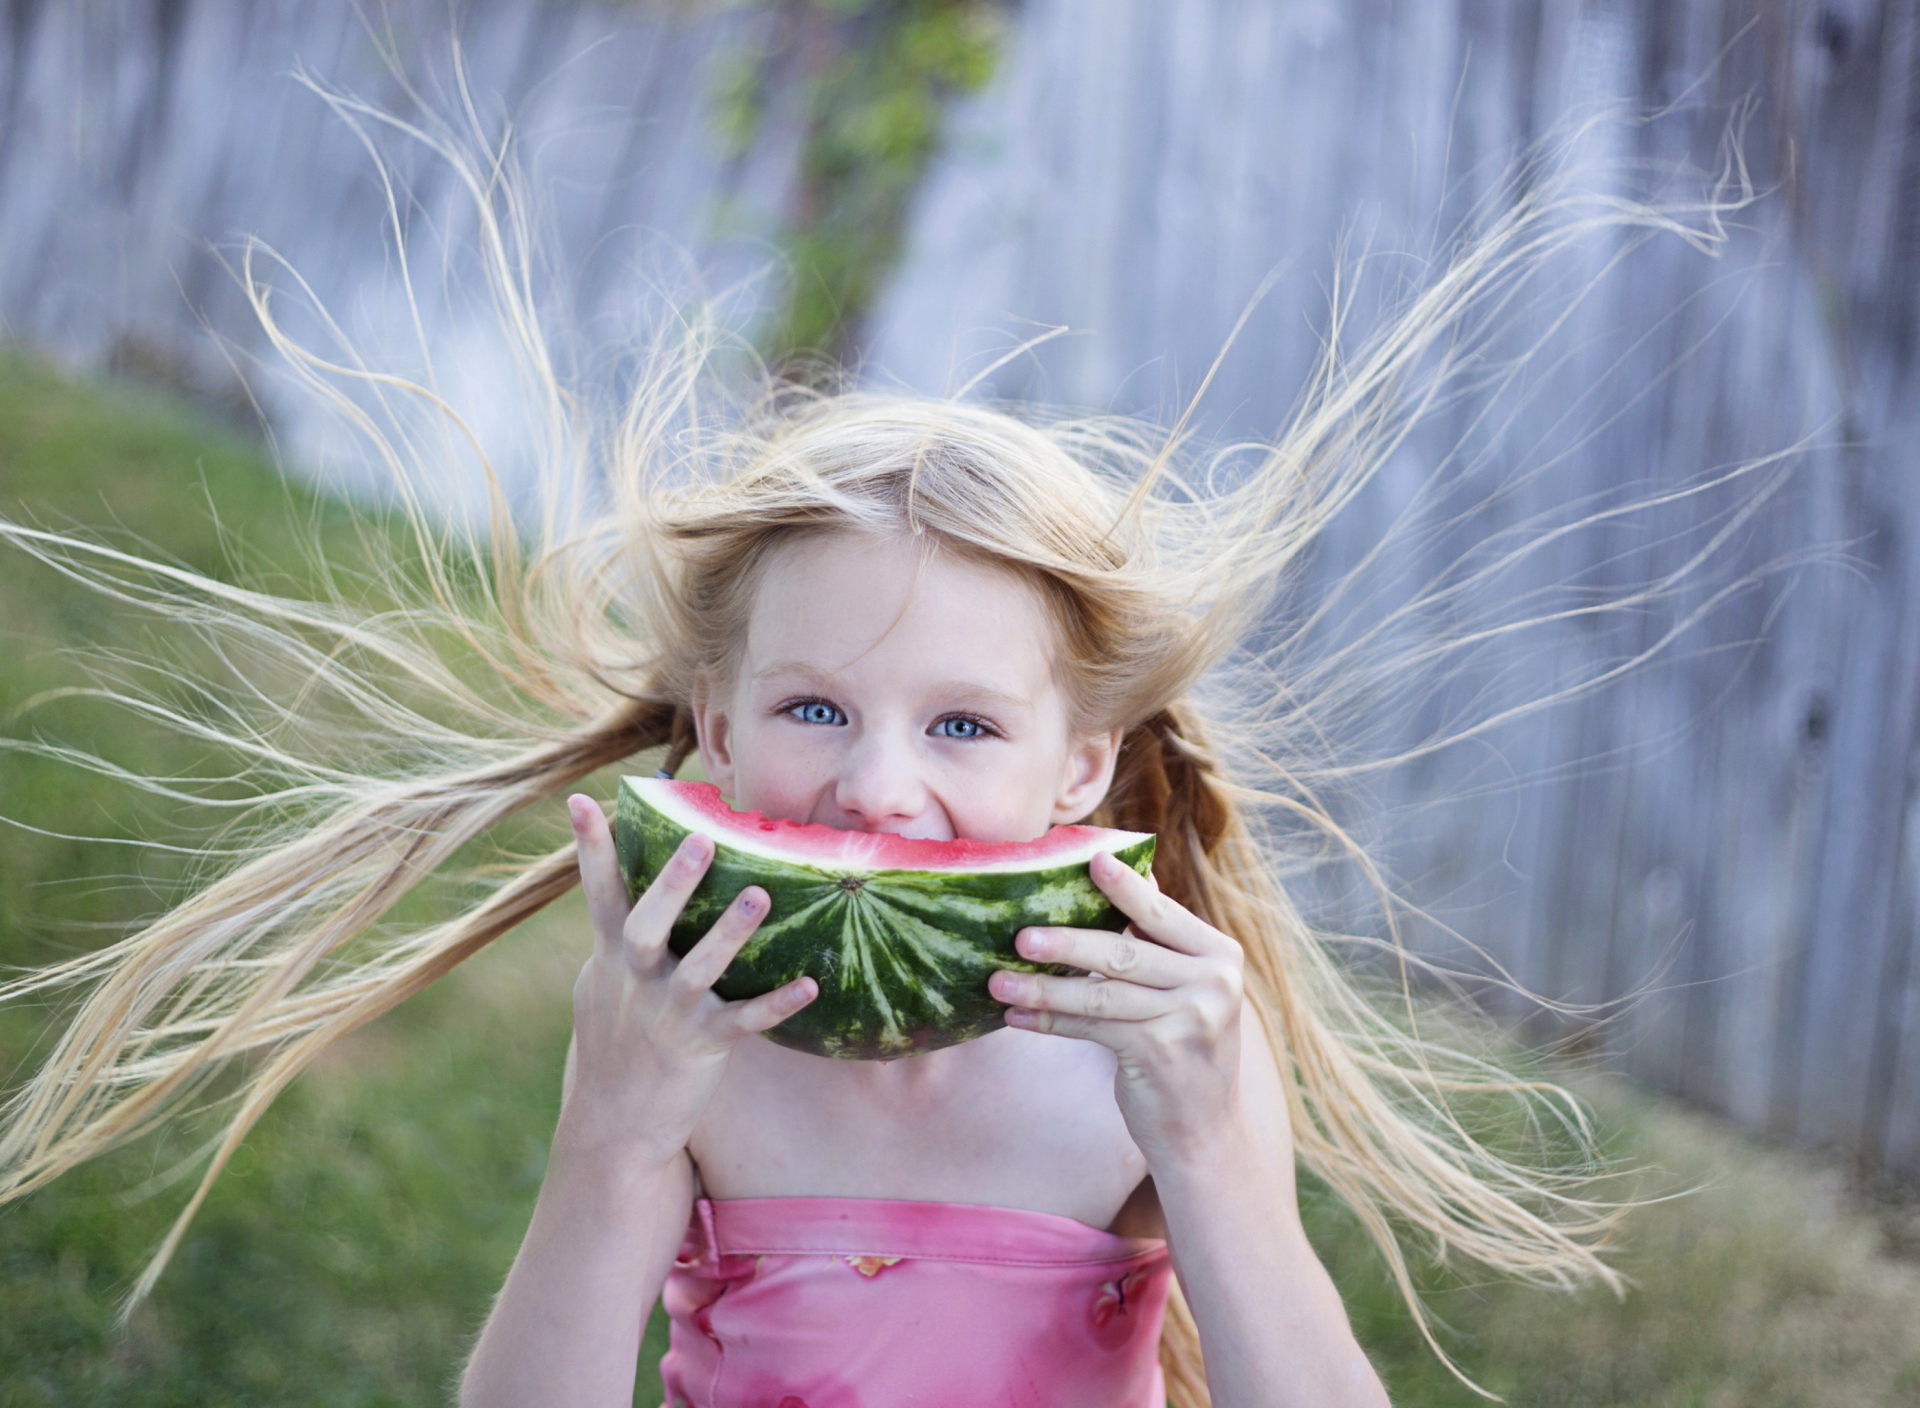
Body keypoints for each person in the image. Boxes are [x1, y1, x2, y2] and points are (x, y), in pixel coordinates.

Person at [0, 106, 1737, 1407]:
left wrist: (1214, 1159)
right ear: (713, 727)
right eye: (815, 709)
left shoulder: (1130, 1077)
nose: (875, 790)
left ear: (1082, 776)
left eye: (964, 726)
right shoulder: (694, 1049)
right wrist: (613, 1140)